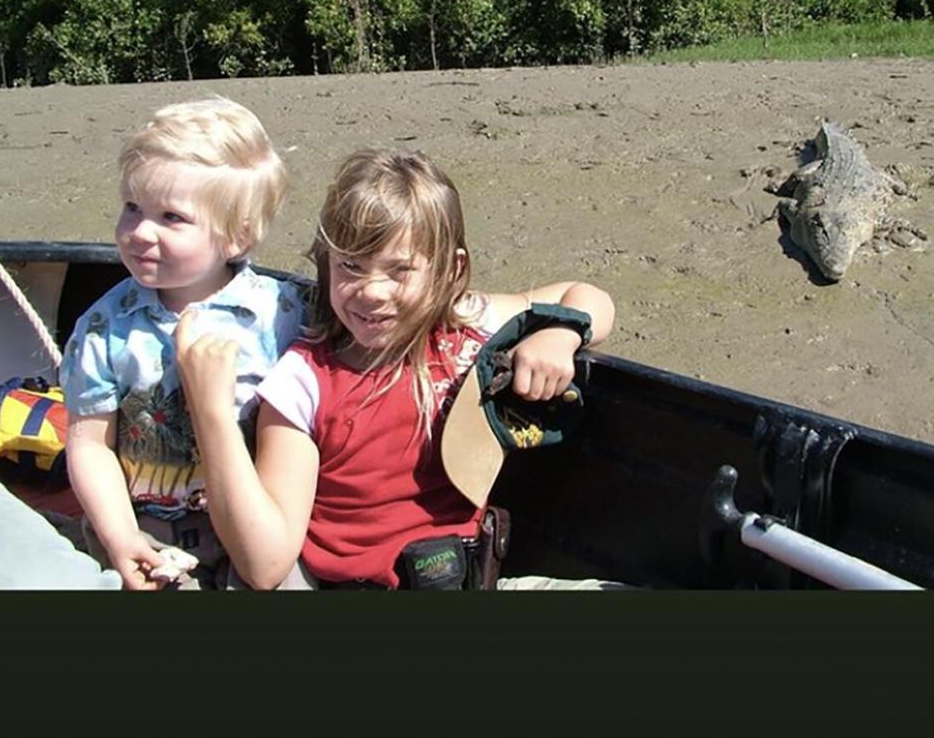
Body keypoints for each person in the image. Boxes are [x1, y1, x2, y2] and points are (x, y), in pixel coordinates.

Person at [176, 148, 615, 590]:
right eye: (351, 265)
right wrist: (211, 412)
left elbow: (587, 295)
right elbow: (264, 566)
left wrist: (559, 333)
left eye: (399, 270)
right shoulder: (303, 382)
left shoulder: (466, 323)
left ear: (449, 270)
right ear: (326, 261)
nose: (371, 292)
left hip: (466, 579)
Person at [60, 98, 308, 590]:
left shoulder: (283, 315)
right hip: (144, 528)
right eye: (132, 208)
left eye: (171, 217)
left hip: (253, 522)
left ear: (237, 236)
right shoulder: (105, 326)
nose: (139, 232)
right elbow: (89, 445)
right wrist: (120, 536)